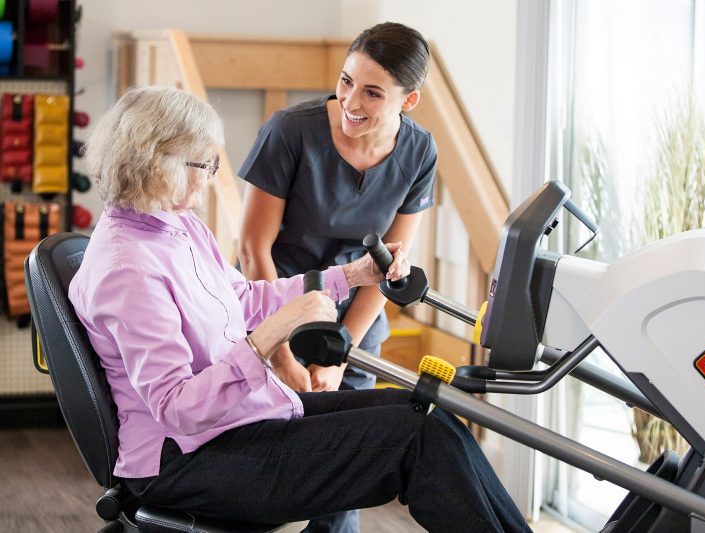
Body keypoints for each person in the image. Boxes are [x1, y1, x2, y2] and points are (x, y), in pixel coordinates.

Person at [68, 85, 532, 533]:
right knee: (417, 441)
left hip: (240, 421)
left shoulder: (176, 226)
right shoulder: (126, 269)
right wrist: (274, 333)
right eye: (204, 163)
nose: (212, 176)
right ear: (158, 163)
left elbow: (243, 298)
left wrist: (350, 277)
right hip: (187, 461)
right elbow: (177, 410)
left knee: (429, 413)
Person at [238, 24, 435, 530]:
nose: (351, 100)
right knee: (265, 471)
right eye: (346, 81)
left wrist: (343, 352)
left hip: (355, 321)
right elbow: (251, 249)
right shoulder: (291, 131)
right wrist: (280, 354)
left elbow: (390, 263)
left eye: (372, 92)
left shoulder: (420, 152)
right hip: (275, 307)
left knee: (341, 474)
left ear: (408, 100)